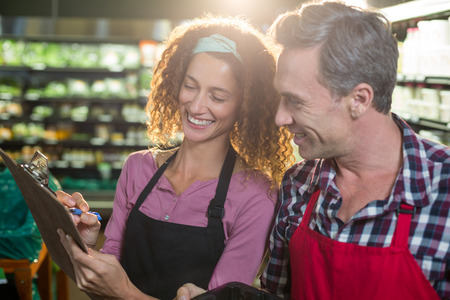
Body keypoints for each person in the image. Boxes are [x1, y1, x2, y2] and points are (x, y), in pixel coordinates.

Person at [56, 15, 294, 300]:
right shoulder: (138, 167)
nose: (196, 105)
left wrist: (125, 293)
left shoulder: (256, 196)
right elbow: (104, 288)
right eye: (190, 86)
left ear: (245, 107)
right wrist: (85, 248)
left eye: (217, 96)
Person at [256, 1, 450, 300]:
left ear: (359, 99)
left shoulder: (444, 193)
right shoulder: (298, 183)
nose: (280, 118)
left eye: (295, 101)